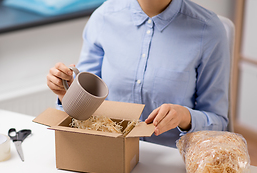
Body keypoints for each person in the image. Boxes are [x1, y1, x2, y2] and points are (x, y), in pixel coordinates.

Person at [46, 0, 230, 148]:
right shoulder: (104, 17)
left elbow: (218, 122)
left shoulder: (208, 30)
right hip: (109, 152)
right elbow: (85, 106)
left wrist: (184, 117)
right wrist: (67, 93)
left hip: (170, 163)